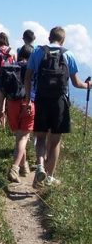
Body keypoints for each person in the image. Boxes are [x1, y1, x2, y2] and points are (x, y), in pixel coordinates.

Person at [24, 26, 92, 188]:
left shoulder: (38, 53)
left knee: (40, 137)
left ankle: (40, 165)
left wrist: (28, 100)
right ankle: (49, 177)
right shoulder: (68, 54)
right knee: (54, 142)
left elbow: (27, 78)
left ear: (49, 37)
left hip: (41, 99)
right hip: (60, 102)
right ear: (63, 40)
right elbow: (77, 83)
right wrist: (88, 85)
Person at [7, 45, 35, 183]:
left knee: (19, 137)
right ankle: (15, 168)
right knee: (23, 138)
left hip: (11, 103)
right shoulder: (31, 68)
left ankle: (24, 167)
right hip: (27, 103)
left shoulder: (12, 66)